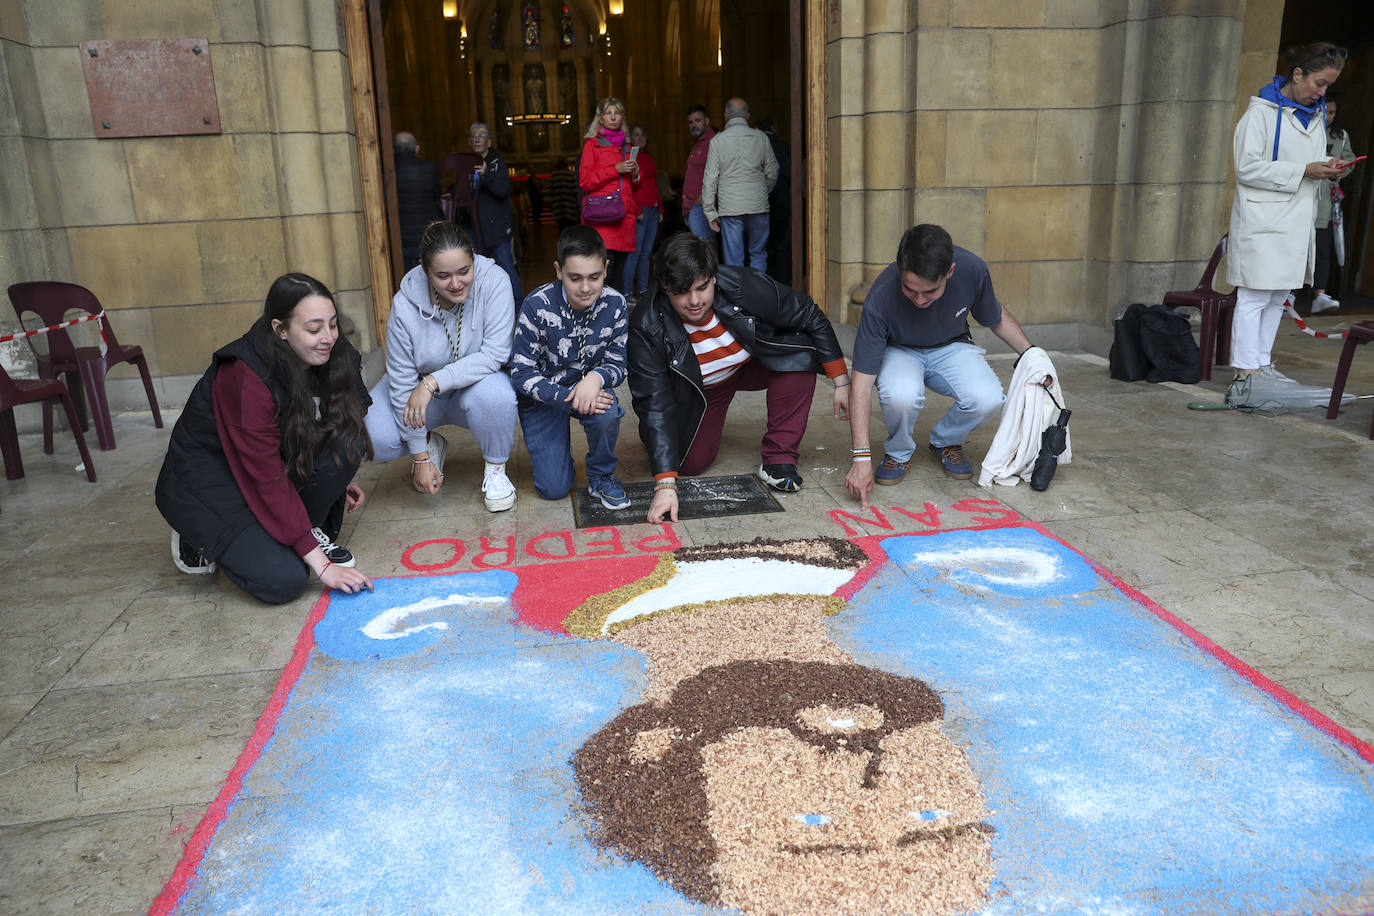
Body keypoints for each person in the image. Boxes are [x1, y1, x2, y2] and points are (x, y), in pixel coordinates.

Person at [567, 538, 993, 915]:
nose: (861, 762)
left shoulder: (711, 713)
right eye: (928, 817)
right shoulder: (883, 717)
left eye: (814, 822)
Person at [155, 273, 375, 604]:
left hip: (263, 463)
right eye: (314, 329)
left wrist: (332, 481)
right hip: (215, 479)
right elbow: (265, 476)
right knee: (283, 580)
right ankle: (196, 534)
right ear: (280, 329)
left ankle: (298, 529)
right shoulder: (244, 376)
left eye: (333, 325)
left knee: (348, 442)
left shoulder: (332, 351)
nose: (328, 337)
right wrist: (323, 565)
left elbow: (324, 423)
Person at [628, 232, 850, 523]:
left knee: (799, 360)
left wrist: (841, 381)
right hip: (702, 389)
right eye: (681, 292)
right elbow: (653, 402)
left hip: (750, 362)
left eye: (702, 287)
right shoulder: (646, 323)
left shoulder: (745, 285)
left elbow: (807, 312)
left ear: (714, 278)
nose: (694, 301)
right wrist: (665, 483)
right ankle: (664, 440)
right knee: (691, 464)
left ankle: (779, 459)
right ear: (665, 288)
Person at [843, 224, 1032, 507]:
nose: (919, 299)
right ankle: (898, 451)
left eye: (930, 291)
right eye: (910, 289)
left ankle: (946, 440)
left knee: (988, 398)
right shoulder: (880, 296)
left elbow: (995, 316)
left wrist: (1032, 355)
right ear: (899, 268)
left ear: (950, 272)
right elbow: (860, 384)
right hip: (899, 349)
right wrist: (861, 458)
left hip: (952, 344)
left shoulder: (972, 269)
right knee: (901, 395)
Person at [1225, 42, 1354, 407]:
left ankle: (1261, 366)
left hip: (1295, 220)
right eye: (1318, 82)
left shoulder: (1312, 116)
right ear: (1296, 74)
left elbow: (1308, 162)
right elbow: (1246, 168)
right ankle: (1245, 375)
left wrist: (1328, 166)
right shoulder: (1260, 115)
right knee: (1253, 295)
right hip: (1263, 219)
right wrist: (1304, 171)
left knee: (1276, 295)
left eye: (1328, 86)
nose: (1322, 91)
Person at [363, 220, 518, 513]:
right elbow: (400, 381)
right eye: (443, 276)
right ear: (424, 269)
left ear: (473, 258)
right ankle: (430, 445)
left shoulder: (495, 281)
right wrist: (420, 457)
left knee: (498, 397)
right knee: (374, 436)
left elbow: (496, 353)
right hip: (421, 395)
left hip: (474, 386)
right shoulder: (404, 304)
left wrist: (431, 382)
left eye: (464, 271)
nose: (456, 283)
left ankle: (496, 470)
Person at [510, 226, 631, 509]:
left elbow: (618, 363)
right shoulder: (535, 306)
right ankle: (557, 458)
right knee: (554, 488)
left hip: (590, 392)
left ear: (606, 269)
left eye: (595, 277)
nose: (586, 287)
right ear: (558, 270)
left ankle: (601, 475)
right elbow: (521, 372)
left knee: (607, 411)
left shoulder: (616, 304)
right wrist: (568, 396)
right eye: (575, 278)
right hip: (545, 398)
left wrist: (596, 379)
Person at [701, 97, 778, 273]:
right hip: (758, 205)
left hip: (731, 208)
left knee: (734, 260)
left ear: (726, 116)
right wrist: (762, 192)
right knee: (758, 253)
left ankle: (738, 297)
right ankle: (758, 295)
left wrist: (710, 211)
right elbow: (773, 171)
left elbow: (710, 179)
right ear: (748, 116)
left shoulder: (717, 141)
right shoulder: (761, 138)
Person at [579, 98, 640, 296]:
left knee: (619, 275)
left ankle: (616, 320)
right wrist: (616, 169)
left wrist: (636, 174)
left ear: (622, 118)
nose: (613, 116)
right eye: (608, 113)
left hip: (624, 218)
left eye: (617, 112)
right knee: (605, 273)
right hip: (602, 218)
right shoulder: (592, 145)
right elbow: (585, 181)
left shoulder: (628, 146)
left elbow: (635, 187)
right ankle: (601, 318)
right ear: (601, 119)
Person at [467, 121, 524, 306]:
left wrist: (485, 175)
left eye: (481, 135)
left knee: (506, 267)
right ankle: (489, 306)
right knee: (476, 269)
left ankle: (520, 306)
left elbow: (502, 190)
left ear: (489, 142)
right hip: (475, 227)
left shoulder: (497, 162)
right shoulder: (466, 163)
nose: (477, 138)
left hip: (497, 227)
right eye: (474, 135)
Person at [1312, 94, 1356, 314]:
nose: (1327, 117)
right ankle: (1288, 294)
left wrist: (1341, 170)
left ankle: (1319, 294)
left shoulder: (1341, 136)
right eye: (1324, 111)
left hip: (1326, 201)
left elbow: (1349, 162)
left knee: (1323, 250)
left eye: (1332, 113)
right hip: (1304, 198)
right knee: (1298, 249)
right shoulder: (1307, 129)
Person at [624, 123, 662, 299]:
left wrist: (659, 207)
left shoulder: (648, 157)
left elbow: (654, 185)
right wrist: (636, 209)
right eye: (636, 135)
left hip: (653, 208)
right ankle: (627, 291)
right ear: (630, 138)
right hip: (639, 209)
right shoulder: (631, 157)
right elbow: (629, 186)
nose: (640, 138)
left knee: (647, 253)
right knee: (636, 253)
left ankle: (644, 290)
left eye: (643, 135)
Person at [392, 131, 441, 268]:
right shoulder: (429, 168)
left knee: (405, 275)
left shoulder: (389, 172)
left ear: (393, 150)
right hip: (425, 232)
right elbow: (437, 194)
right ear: (417, 148)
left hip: (400, 234)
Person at [758, 116, 792, 284]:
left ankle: (765, 283)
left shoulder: (754, 147)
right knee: (781, 248)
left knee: (760, 248)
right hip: (782, 203)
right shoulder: (783, 148)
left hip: (758, 205)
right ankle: (781, 283)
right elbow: (788, 174)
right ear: (774, 127)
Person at [681, 104, 717, 242]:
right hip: (692, 207)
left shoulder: (714, 142)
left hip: (701, 207)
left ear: (707, 121)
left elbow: (720, 173)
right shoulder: (698, 144)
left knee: (704, 253)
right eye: (690, 122)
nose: (693, 125)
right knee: (704, 252)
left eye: (698, 120)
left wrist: (703, 198)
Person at [546, 156, 580, 231]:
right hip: (571, 209)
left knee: (562, 231)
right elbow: (576, 192)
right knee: (573, 231)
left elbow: (549, 194)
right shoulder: (571, 175)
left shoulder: (553, 176)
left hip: (559, 210)